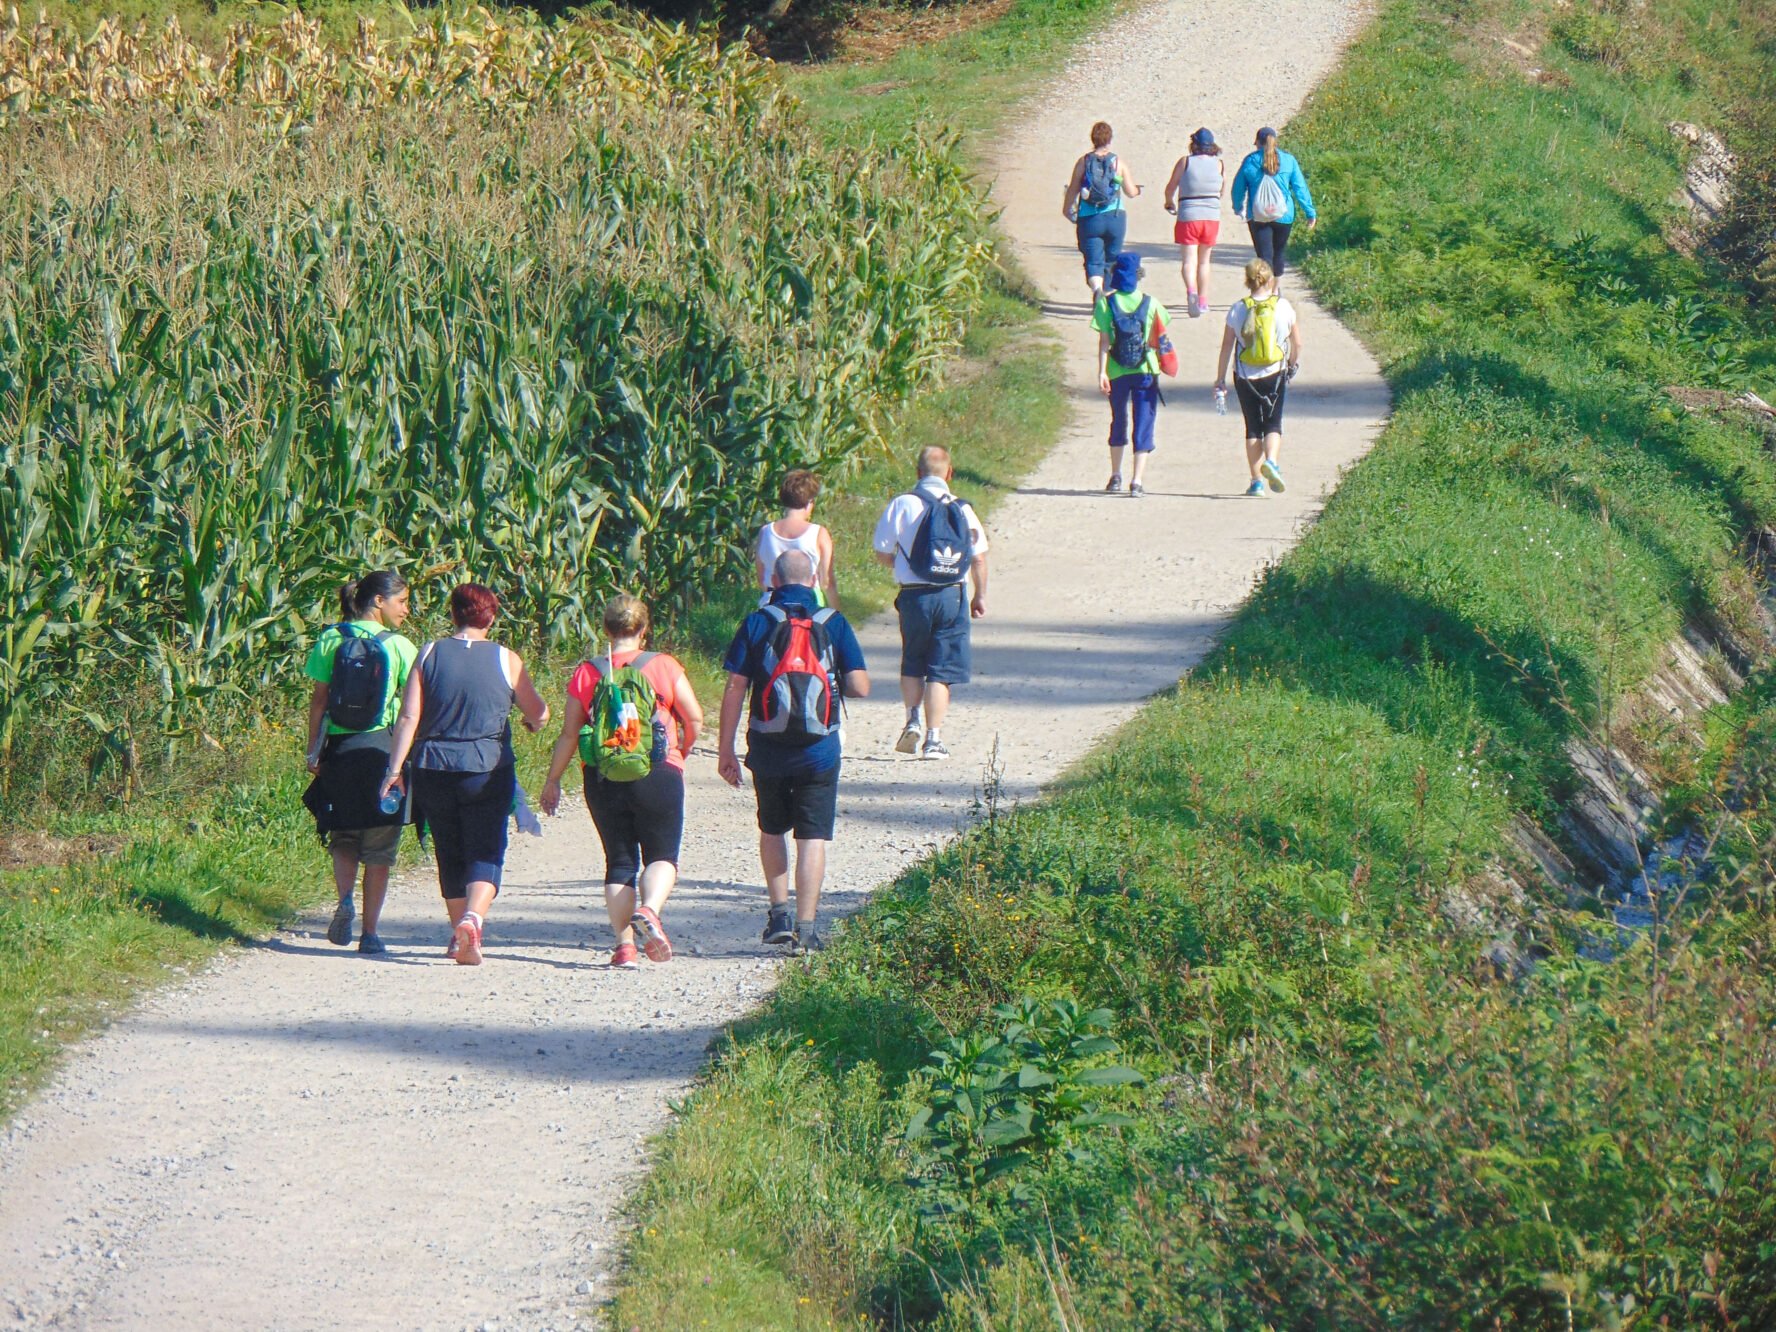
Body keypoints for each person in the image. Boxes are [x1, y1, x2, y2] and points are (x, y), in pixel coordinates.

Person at [379, 583, 550, 966]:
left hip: (433, 766)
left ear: (453, 614)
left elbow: (409, 717)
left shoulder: (429, 652)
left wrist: (394, 770)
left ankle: (459, 934)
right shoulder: (506, 659)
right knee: (486, 847)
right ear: (491, 617)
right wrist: (533, 722)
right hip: (486, 768)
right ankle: (473, 919)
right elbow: (538, 712)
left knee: (449, 848)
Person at [717, 550, 870, 955]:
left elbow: (735, 687)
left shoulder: (757, 621)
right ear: (814, 579)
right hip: (819, 749)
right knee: (812, 837)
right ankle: (807, 929)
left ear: (773, 579)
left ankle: (779, 916)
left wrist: (725, 748)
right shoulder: (833, 622)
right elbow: (860, 686)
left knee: (772, 828)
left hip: (767, 746)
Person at [539, 595, 703, 970]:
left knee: (619, 861)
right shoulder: (664, 665)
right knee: (661, 855)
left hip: (603, 775)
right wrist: (682, 751)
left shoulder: (588, 672)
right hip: (657, 769)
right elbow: (694, 718)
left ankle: (624, 947)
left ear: (605, 629)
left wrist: (553, 780)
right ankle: (650, 909)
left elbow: (569, 733)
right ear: (643, 630)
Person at [301, 571, 418, 956]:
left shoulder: (331, 638)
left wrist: (313, 751)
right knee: (380, 848)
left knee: (344, 836)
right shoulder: (400, 646)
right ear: (379, 601)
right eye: (402, 601)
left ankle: (345, 899)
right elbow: (414, 709)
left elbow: (319, 701)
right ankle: (370, 933)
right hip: (383, 752)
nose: (406, 610)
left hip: (340, 750)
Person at [872, 445, 989, 759]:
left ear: (917, 473)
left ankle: (912, 720)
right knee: (941, 668)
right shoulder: (961, 508)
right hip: (952, 594)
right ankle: (934, 740)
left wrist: (904, 565)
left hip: (914, 595)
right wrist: (979, 596)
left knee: (913, 659)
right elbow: (978, 558)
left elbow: (882, 551)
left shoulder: (902, 504)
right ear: (949, 473)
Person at [1214, 258, 1302, 497]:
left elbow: (1226, 346)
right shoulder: (1283, 307)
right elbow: (1298, 343)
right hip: (1275, 373)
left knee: (1252, 427)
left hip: (1245, 376)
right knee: (1273, 423)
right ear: (1270, 280)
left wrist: (1220, 379)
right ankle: (1271, 461)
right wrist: (1291, 364)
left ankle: (1256, 483)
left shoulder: (1237, 309)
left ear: (1247, 281)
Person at [1091, 252, 1173, 498]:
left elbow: (1104, 342)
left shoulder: (1106, 303)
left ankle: (1115, 475)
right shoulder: (1151, 303)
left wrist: (1102, 372)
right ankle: (1136, 481)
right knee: (1144, 422)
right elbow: (1160, 337)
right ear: (1138, 276)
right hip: (1146, 370)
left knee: (1118, 419)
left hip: (1116, 370)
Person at [1062, 121, 1142, 301]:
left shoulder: (1083, 162)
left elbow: (1073, 189)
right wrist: (1138, 190)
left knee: (1093, 260)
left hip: (1089, 218)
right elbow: (1130, 192)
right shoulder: (1118, 162)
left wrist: (1066, 209)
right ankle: (1106, 297)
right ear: (1110, 139)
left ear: (1093, 139)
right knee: (1111, 259)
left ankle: (1097, 289)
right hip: (1115, 217)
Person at [1231, 127, 1317, 281]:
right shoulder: (1289, 160)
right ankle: (1275, 290)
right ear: (1275, 141)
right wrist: (1309, 212)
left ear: (1258, 142)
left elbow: (1238, 188)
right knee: (1278, 253)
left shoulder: (1250, 161)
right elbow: (1300, 188)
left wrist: (1238, 207)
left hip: (1258, 215)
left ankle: (1266, 290)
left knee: (1264, 257)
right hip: (1284, 215)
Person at [1163, 127, 1225, 317]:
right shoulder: (1219, 164)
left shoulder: (1185, 162)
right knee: (1204, 261)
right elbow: (1221, 191)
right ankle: (1203, 301)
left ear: (1194, 144)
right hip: (1211, 217)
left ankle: (1192, 293)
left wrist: (1169, 202)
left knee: (1189, 260)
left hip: (1189, 215)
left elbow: (1170, 187)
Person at [755, 469, 839, 609]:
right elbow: (827, 582)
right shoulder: (819, 534)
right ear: (810, 502)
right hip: (809, 605)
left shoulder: (765, 532)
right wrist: (836, 613)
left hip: (772, 604)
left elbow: (762, 580)